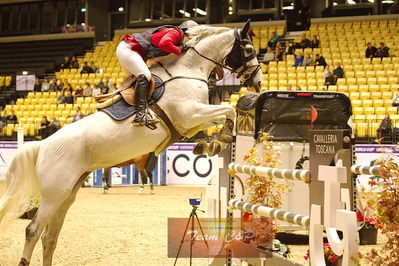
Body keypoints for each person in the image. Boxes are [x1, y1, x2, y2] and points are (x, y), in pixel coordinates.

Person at [116, 20, 198, 127]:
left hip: (130, 50)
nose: (187, 43)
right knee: (145, 75)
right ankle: (140, 115)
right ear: (187, 33)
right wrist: (179, 49)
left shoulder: (176, 36)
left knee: (137, 82)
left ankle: (126, 111)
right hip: (129, 49)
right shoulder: (177, 32)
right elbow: (164, 43)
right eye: (190, 39)